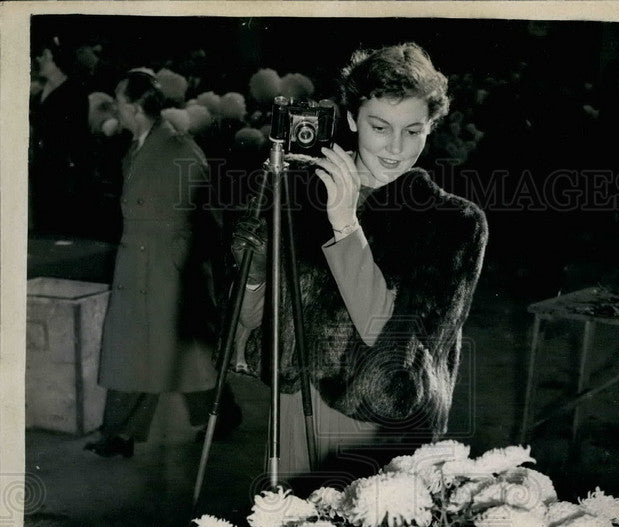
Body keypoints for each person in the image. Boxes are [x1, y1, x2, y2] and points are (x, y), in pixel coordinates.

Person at [231, 42, 488, 486]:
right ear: (351, 119)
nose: (395, 148)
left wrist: (346, 222)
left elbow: (390, 338)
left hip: (378, 426)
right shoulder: (300, 194)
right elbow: (259, 327)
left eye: (413, 131)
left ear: (432, 127)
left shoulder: (454, 224)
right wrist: (252, 277)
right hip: (295, 412)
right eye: (379, 127)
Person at [86, 69, 240, 458]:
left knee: (184, 354)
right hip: (140, 263)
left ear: (135, 108)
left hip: (168, 268)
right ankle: (121, 434)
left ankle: (220, 413)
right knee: (135, 349)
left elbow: (208, 215)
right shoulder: (138, 145)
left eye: (119, 105)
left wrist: (189, 266)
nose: (115, 113)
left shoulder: (179, 149)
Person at [29, 36, 91, 236]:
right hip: (43, 165)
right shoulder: (40, 90)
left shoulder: (75, 91)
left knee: (59, 225)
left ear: (57, 59)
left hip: (62, 169)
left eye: (45, 55)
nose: (39, 59)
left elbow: (76, 137)